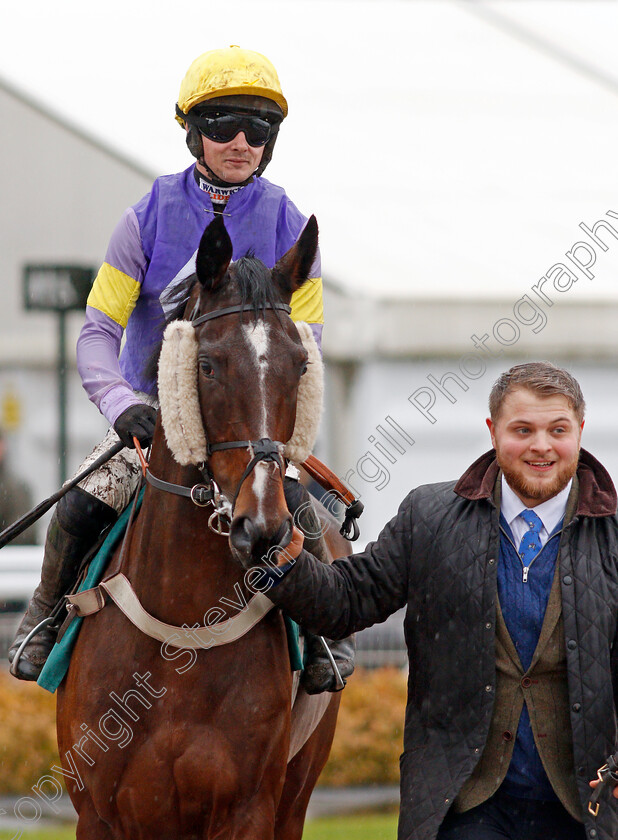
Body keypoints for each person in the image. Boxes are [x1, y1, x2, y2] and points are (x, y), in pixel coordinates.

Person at [9, 45, 354, 692]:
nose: (242, 141)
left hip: (248, 418)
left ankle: (323, 632)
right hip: (151, 414)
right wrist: (119, 405)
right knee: (82, 504)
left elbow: (308, 341)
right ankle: (44, 614)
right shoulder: (144, 218)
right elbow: (97, 333)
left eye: (260, 128)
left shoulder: (288, 222)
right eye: (224, 124)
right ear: (193, 131)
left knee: (303, 514)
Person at [262, 362, 618, 840]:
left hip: (589, 808)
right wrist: (280, 557)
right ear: (493, 432)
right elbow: (346, 600)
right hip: (461, 805)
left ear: (580, 430)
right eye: (522, 429)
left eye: (558, 429)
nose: (541, 446)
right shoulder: (428, 517)